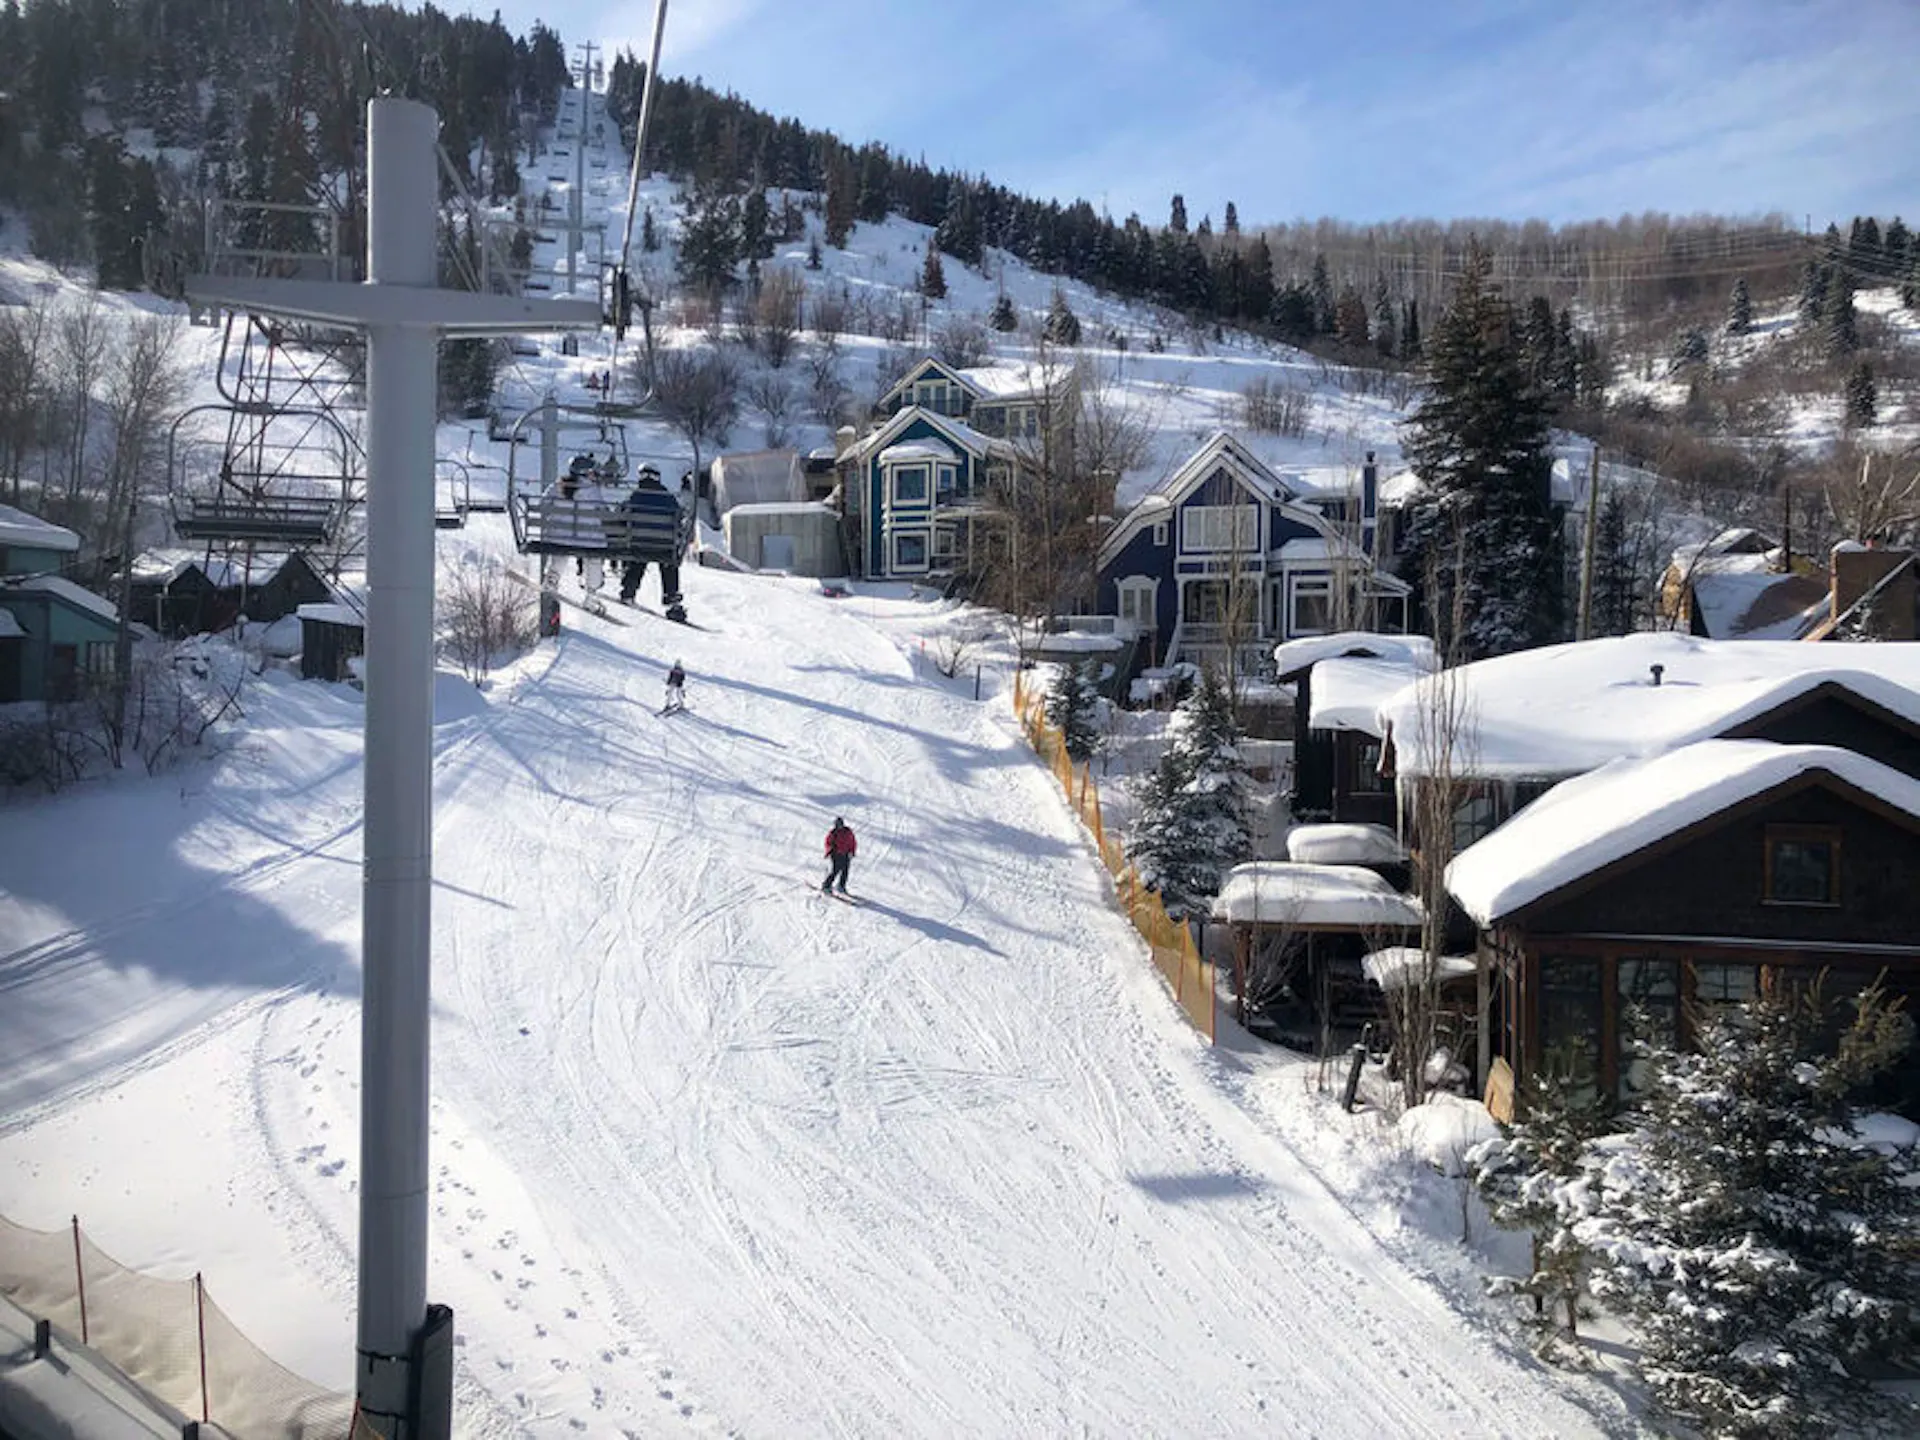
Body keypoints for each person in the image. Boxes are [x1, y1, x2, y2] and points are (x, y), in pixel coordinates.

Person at [618, 463, 688, 621]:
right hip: (664, 546)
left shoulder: (636, 495)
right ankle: (672, 598)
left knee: (637, 560)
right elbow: (679, 518)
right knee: (668, 563)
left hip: (639, 544)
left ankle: (628, 590)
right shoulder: (668, 497)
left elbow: (623, 515)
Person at [822, 816, 856, 895]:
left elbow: (853, 842)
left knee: (845, 871)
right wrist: (829, 850)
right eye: (837, 825)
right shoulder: (833, 833)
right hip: (836, 854)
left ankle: (841, 886)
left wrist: (852, 851)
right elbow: (828, 842)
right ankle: (826, 885)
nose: (839, 826)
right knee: (835, 870)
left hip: (846, 854)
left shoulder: (848, 831)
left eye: (840, 824)